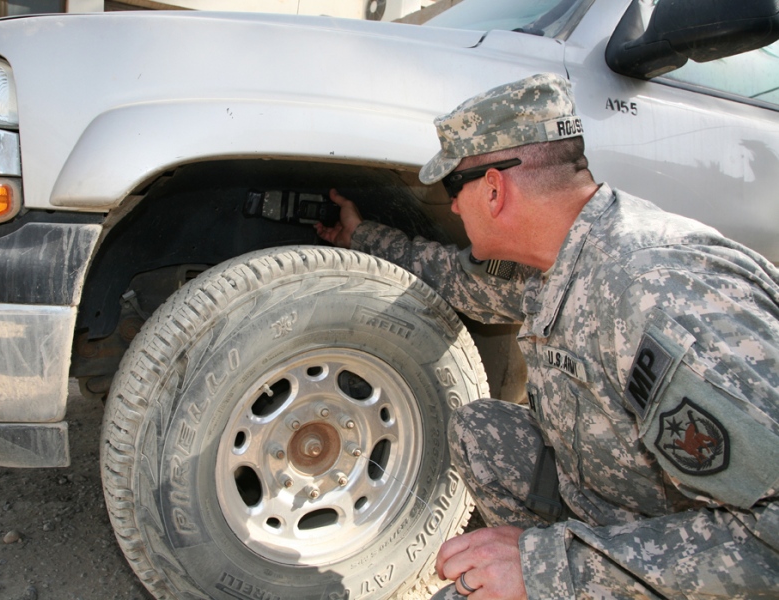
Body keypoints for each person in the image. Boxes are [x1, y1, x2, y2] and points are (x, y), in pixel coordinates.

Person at [316, 73, 779, 599]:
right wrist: (361, 236)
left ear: (493, 188)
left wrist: (543, 568)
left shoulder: (655, 292)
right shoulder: (565, 257)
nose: (452, 207)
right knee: (482, 429)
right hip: (623, 514)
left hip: (698, 560)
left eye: (453, 188)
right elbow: (456, 279)